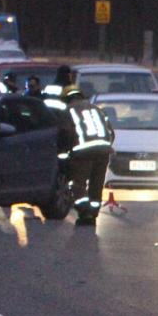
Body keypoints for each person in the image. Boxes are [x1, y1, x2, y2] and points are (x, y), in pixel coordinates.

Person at [61, 86, 115, 225]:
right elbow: (111, 133)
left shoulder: (68, 111)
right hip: (104, 151)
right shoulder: (97, 109)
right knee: (96, 183)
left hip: (82, 152)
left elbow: (65, 134)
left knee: (77, 183)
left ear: (67, 99)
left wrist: (65, 154)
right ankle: (94, 213)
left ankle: (84, 212)